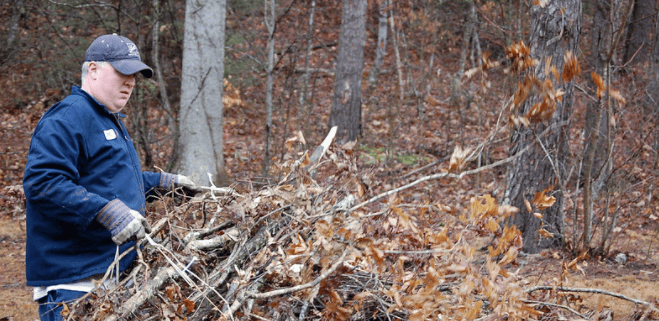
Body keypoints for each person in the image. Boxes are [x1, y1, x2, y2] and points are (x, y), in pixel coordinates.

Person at [23, 34, 195, 321]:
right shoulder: (68, 117)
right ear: (93, 70)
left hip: (110, 278)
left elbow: (110, 180)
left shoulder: (106, 118)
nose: (130, 82)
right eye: (122, 72)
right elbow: (43, 183)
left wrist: (166, 184)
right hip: (74, 283)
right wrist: (105, 212)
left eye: (135, 75)